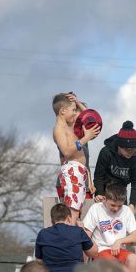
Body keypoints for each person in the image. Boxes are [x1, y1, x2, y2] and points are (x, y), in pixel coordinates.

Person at [52, 92, 100, 224]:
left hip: (80, 172)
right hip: (72, 171)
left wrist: (78, 103)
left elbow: (94, 121)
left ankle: (73, 233)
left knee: (77, 212)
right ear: (63, 111)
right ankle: (70, 237)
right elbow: (67, 151)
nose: (75, 113)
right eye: (73, 110)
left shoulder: (72, 126)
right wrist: (85, 138)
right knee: (72, 213)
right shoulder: (59, 129)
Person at [35, 203, 98, 272]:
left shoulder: (42, 234)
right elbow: (93, 252)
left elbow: (39, 262)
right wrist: (83, 230)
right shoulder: (78, 231)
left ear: (52, 220)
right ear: (69, 218)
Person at [83, 183, 136, 272]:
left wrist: (119, 241)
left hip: (120, 251)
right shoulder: (96, 209)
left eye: (119, 206)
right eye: (113, 205)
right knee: (114, 265)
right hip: (101, 251)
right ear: (105, 199)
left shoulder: (127, 210)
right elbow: (86, 236)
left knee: (134, 259)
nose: (116, 209)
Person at [94, 120, 136, 212]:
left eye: (133, 150)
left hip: (121, 192)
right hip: (105, 188)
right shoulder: (106, 152)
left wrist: (132, 204)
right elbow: (98, 176)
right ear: (119, 146)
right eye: (128, 150)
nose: (130, 153)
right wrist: (99, 194)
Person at [55, 92, 96, 201]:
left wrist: (90, 183)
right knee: (72, 216)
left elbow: (92, 118)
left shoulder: (83, 136)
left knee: (85, 217)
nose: (83, 122)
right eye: (78, 118)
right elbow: (67, 153)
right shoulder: (66, 132)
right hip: (70, 181)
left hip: (85, 183)